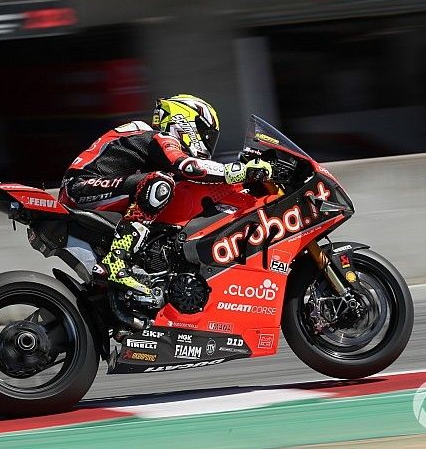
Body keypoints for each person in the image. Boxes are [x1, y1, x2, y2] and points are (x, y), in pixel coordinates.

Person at [59, 94, 271, 330]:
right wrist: (239, 171)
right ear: (185, 121)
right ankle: (116, 261)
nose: (208, 143)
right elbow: (188, 166)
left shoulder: (154, 142)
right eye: (206, 134)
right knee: (159, 183)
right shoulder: (160, 136)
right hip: (81, 187)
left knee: (165, 189)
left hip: (100, 191)